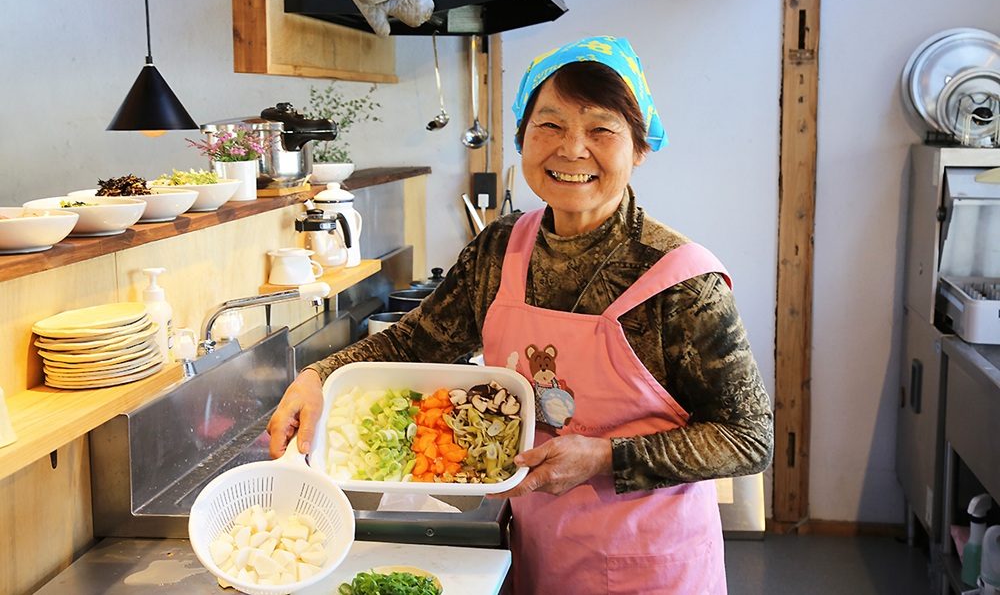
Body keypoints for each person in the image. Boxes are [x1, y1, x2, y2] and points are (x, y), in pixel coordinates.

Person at [268, 35, 773, 594]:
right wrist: (319, 377)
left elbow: (749, 437)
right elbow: (416, 343)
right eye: (550, 126)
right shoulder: (502, 248)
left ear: (639, 146)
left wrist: (605, 457)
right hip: (538, 550)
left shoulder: (682, 281)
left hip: (650, 564)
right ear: (523, 138)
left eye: (601, 130)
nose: (572, 149)